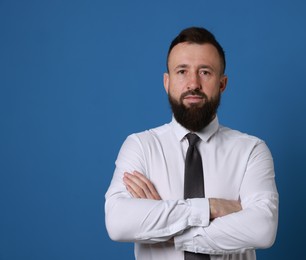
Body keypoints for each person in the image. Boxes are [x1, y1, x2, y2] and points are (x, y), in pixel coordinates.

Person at [105, 27, 279, 260]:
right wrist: (210, 208)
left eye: (205, 72)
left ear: (222, 83)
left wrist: (166, 227)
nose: (193, 83)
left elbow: (262, 229)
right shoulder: (141, 146)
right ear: (167, 82)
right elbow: (118, 222)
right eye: (182, 71)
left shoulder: (251, 151)